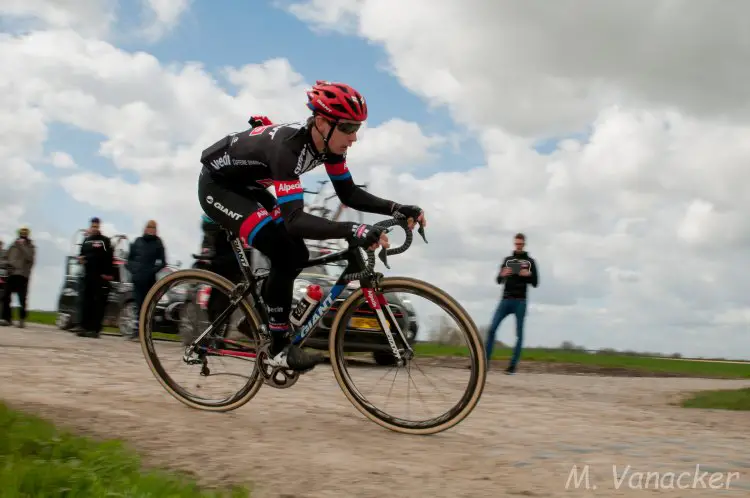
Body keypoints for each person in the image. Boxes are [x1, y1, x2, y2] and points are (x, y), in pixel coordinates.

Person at [197, 80, 426, 373]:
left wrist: (396, 208)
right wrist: (351, 230)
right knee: (283, 249)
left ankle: (261, 320)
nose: (353, 137)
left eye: (357, 128)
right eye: (347, 128)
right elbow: (295, 220)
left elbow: (348, 193)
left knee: (298, 254)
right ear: (322, 122)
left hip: (250, 187)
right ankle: (279, 349)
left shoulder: (330, 146)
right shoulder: (288, 149)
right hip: (219, 188)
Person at [485, 233, 539, 374]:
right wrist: (503, 274)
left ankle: (512, 366)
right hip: (505, 299)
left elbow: (535, 283)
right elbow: (498, 280)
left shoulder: (530, 262)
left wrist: (528, 275)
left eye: (520, 244)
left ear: (524, 244)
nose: (518, 246)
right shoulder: (508, 260)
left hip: (520, 301)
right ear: (514, 244)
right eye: (516, 244)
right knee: (491, 329)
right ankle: (485, 362)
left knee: (519, 335)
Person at [125, 220, 167, 339]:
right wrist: (134, 269)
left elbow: (163, 262)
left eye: (153, 228)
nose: (151, 230)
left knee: (147, 306)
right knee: (138, 305)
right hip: (137, 279)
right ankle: (136, 330)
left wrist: (152, 271)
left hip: (149, 280)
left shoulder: (158, 243)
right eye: (149, 227)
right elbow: (128, 260)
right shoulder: (138, 241)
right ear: (145, 229)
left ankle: (145, 332)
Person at [77, 217, 115, 338]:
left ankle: (95, 329)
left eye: (96, 226)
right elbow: (81, 255)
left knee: (98, 303)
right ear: (90, 226)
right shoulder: (86, 240)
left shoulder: (104, 241)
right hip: (87, 275)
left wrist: (107, 273)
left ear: (99, 227)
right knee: (86, 302)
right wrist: (81, 260)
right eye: (93, 226)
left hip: (100, 276)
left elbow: (109, 258)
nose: (94, 228)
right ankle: (84, 327)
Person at [0, 227, 36, 328]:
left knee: (22, 299)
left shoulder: (30, 246)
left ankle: (21, 319)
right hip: (11, 274)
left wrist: (22, 246)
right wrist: (7, 264)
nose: (23, 234)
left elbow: (30, 258)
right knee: (6, 296)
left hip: (22, 275)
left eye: (25, 233)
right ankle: (6, 319)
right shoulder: (13, 244)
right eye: (21, 232)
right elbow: (5, 257)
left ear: (28, 234)